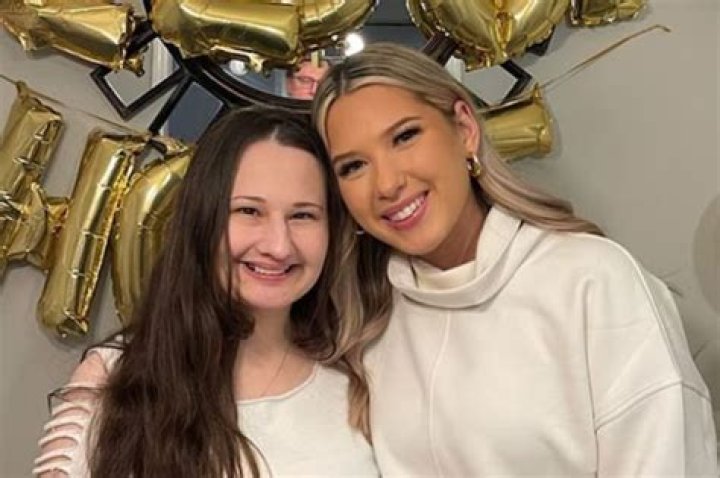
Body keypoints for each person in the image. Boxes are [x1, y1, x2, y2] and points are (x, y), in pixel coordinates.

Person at [311, 43, 718, 476]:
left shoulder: (592, 281)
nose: (387, 184)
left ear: (464, 128)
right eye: (353, 166)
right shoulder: (368, 324)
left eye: (405, 136)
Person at [32, 107, 378, 477]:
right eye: (249, 211)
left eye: (303, 215)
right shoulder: (114, 375)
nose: (279, 246)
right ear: (202, 220)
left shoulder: (362, 378)